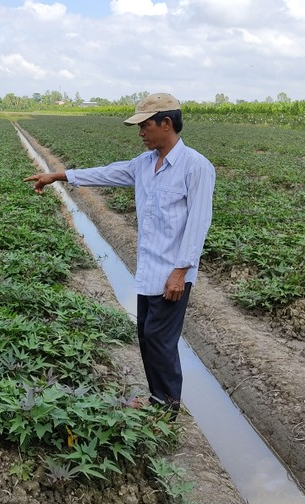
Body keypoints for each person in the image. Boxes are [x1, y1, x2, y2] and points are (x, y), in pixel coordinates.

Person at [23, 93, 215, 418]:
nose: (140, 132)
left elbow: (198, 223)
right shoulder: (144, 165)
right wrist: (59, 175)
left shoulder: (195, 167)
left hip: (172, 275)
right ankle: (158, 400)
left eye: (145, 125)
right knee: (146, 335)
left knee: (159, 339)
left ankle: (166, 410)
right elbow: (107, 173)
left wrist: (181, 271)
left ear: (166, 123)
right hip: (148, 271)